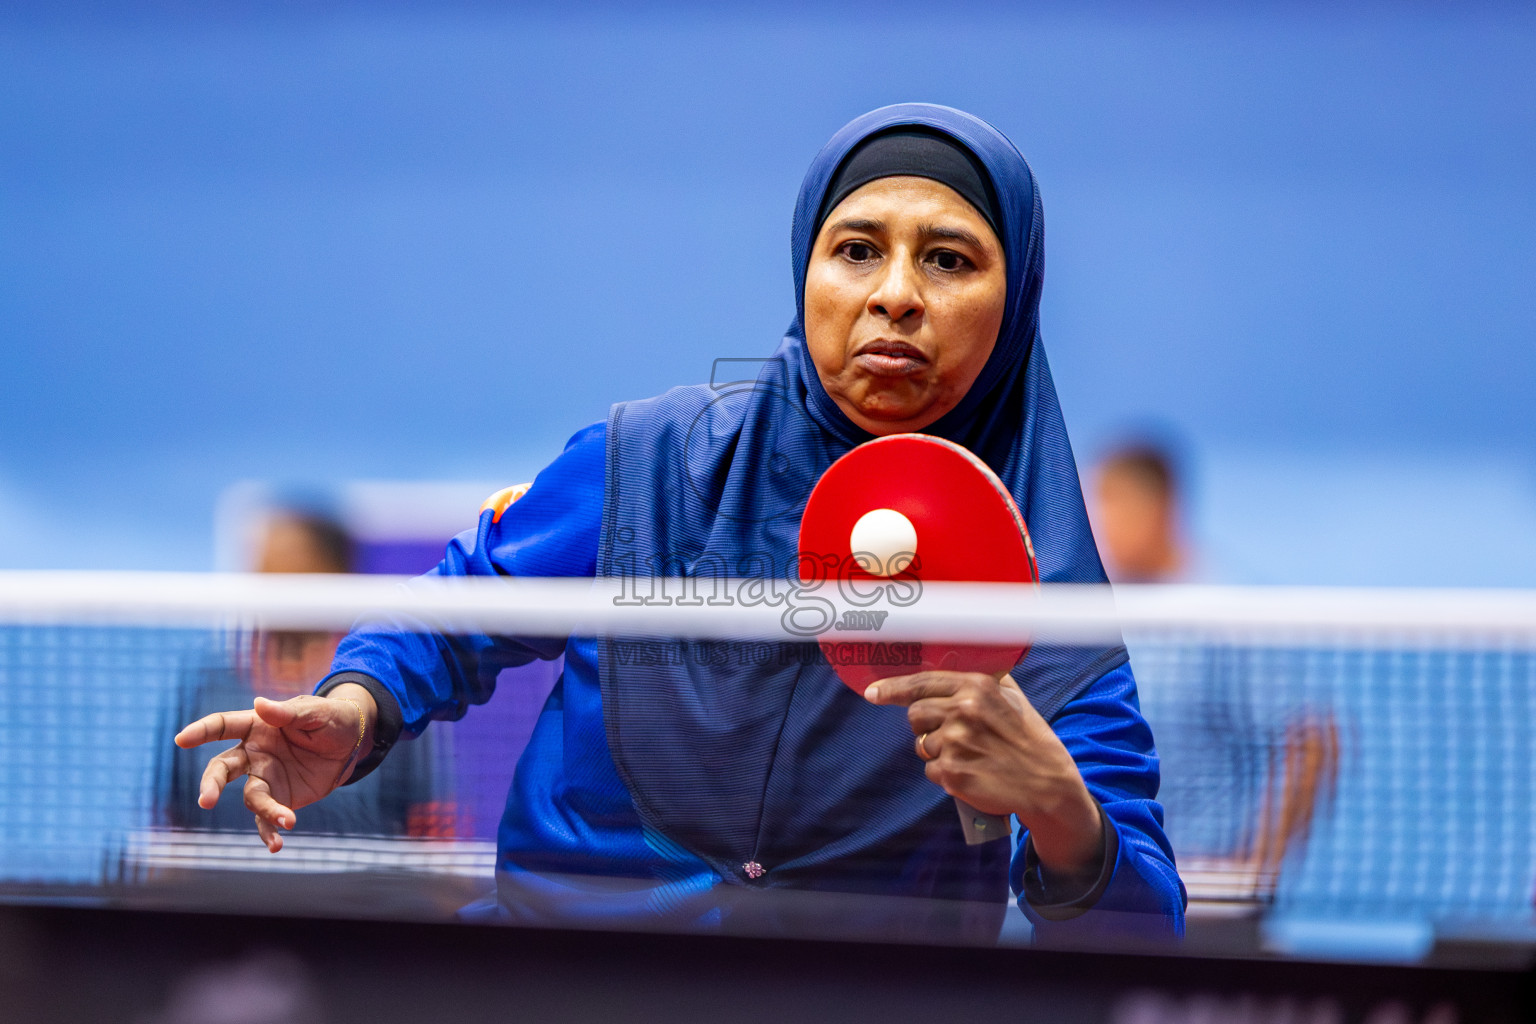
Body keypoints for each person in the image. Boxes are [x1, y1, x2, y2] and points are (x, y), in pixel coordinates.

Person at [175, 104, 1186, 940]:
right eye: (857, 250)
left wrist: (1062, 811)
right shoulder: (647, 461)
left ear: (1014, 304)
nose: (894, 296)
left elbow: (1150, 935)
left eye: (951, 261)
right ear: (806, 271)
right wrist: (354, 712)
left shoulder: (1042, 589)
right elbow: (452, 612)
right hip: (562, 979)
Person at [160, 508, 444, 839]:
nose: (265, 574)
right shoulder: (211, 675)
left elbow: (429, 826)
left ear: (336, 572)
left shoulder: (384, 682)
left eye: (286, 561)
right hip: (223, 884)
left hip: (360, 885)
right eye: (261, 561)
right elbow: (173, 815)